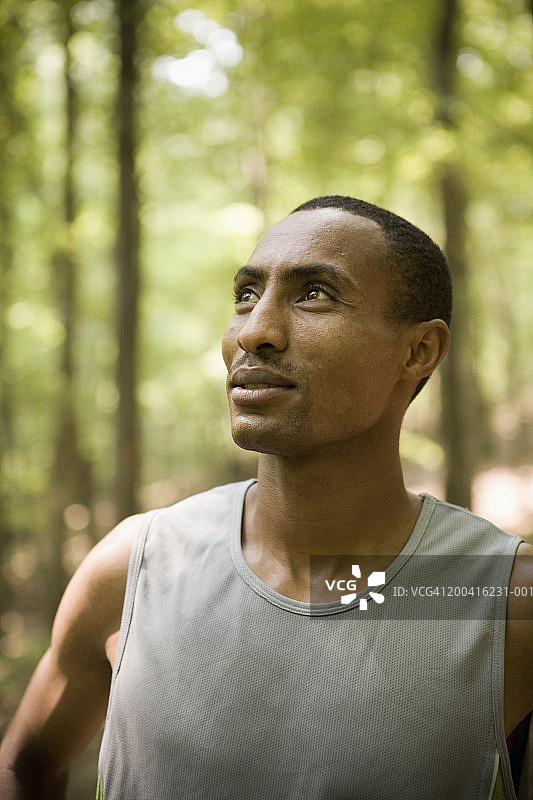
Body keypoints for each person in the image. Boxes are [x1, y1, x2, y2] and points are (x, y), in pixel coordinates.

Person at [0, 195, 532, 800]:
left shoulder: (508, 598)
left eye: (315, 295)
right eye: (246, 296)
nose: (255, 332)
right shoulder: (134, 566)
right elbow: (24, 765)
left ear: (419, 351)